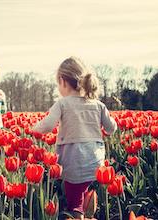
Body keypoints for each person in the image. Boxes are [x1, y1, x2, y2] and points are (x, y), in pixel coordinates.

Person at [33, 56, 117, 219]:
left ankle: (78, 215)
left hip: (73, 161)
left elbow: (48, 125)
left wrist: (33, 128)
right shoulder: (98, 104)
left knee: (75, 202)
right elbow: (111, 128)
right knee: (85, 193)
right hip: (95, 162)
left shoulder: (63, 103)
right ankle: (88, 213)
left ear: (63, 81)